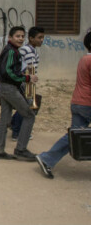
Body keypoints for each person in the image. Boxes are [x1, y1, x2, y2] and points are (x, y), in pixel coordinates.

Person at [36, 32, 91, 179]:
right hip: (87, 104)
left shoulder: (84, 59)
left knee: (73, 135)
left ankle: (47, 159)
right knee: (74, 135)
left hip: (78, 102)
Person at [0, 26, 38, 161]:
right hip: (9, 88)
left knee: (5, 120)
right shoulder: (12, 52)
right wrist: (27, 78)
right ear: (10, 38)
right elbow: (8, 72)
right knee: (29, 115)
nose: (21, 39)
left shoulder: (11, 50)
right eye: (18, 36)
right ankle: (21, 149)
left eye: (22, 36)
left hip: (5, 87)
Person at [11, 27, 45, 141]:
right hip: (25, 82)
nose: (41, 40)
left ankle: (14, 126)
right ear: (31, 38)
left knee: (25, 106)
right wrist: (27, 81)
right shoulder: (26, 50)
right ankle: (17, 131)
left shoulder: (32, 50)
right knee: (26, 108)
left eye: (42, 37)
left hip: (28, 82)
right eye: (39, 37)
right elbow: (24, 68)